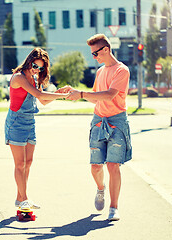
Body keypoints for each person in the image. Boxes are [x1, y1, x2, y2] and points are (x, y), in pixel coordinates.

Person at [65, 34, 132, 221]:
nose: (94, 57)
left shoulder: (122, 70)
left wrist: (81, 94)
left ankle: (114, 207)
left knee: (112, 166)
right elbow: (95, 97)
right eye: (92, 54)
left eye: (96, 53)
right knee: (96, 167)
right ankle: (100, 189)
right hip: (98, 120)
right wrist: (75, 92)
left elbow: (110, 95)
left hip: (117, 121)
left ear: (106, 50)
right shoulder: (101, 71)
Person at [4, 47, 69, 210]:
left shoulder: (33, 78)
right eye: (35, 65)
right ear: (29, 61)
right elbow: (40, 95)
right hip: (16, 122)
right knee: (19, 164)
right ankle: (24, 198)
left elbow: (44, 101)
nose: (36, 69)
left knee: (28, 162)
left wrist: (59, 93)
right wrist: (64, 96)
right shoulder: (19, 78)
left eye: (40, 68)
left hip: (29, 122)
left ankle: (20, 199)